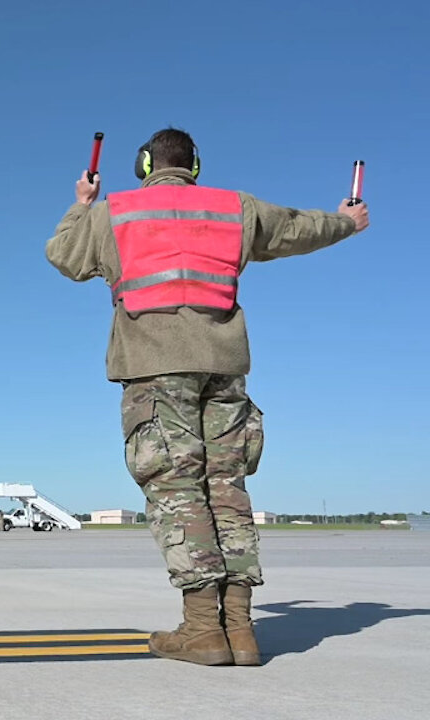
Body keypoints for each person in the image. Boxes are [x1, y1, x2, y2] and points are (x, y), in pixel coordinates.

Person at [44, 128, 369, 666]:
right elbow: (298, 228)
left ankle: (202, 629)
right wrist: (347, 223)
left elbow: (64, 256)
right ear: (194, 164)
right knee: (226, 489)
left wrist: (83, 205)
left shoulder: (114, 213)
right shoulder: (233, 208)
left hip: (154, 370)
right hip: (224, 369)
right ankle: (240, 630)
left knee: (178, 490)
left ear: (145, 164)